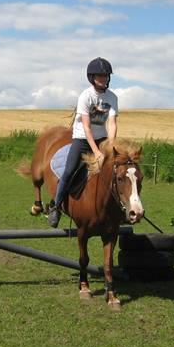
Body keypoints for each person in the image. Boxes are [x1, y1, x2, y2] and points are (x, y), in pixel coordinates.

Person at [48, 57, 118, 228]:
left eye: (106, 75)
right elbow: (86, 127)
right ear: (92, 77)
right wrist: (97, 151)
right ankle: (55, 207)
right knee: (69, 170)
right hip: (82, 140)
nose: (104, 78)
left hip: (102, 140)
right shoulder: (85, 97)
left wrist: (110, 145)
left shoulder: (112, 97)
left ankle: (122, 209)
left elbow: (112, 122)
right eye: (100, 76)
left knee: (119, 170)